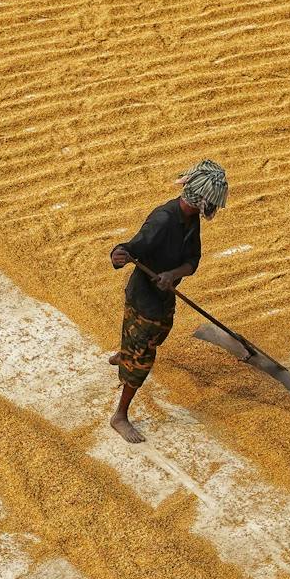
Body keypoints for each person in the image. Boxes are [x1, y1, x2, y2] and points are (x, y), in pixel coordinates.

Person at [106, 160, 228, 443]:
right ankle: (120, 416)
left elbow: (192, 261)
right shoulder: (163, 220)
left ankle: (126, 353)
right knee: (143, 358)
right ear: (200, 199)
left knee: (159, 334)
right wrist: (118, 254)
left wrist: (172, 275)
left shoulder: (189, 219)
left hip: (163, 298)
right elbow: (131, 247)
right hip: (145, 300)